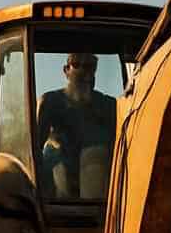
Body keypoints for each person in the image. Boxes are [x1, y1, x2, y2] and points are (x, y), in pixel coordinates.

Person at [35, 52, 116, 198]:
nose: (82, 71)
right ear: (66, 70)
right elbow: (35, 149)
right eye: (76, 65)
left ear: (94, 71)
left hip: (98, 179)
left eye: (89, 66)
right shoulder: (50, 102)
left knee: (95, 153)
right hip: (59, 172)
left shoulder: (108, 105)